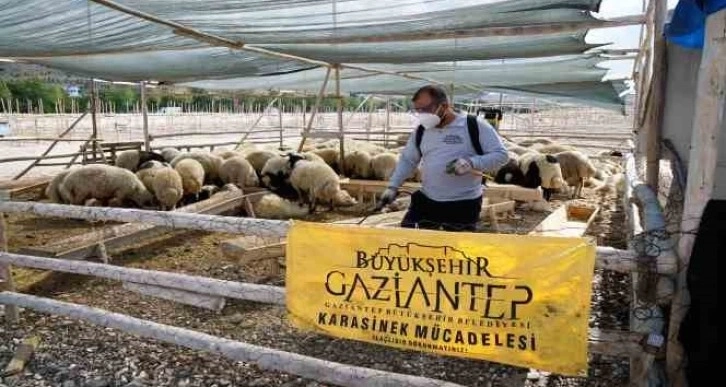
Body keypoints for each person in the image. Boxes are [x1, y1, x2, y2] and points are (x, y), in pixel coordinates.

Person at [378, 85, 508, 232]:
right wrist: (393, 186)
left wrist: (471, 162)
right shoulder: (422, 130)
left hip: (463, 203)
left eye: (425, 110)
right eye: (417, 110)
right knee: (411, 242)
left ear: (444, 106)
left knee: (454, 249)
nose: (421, 115)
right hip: (428, 199)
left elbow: (501, 155)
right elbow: (408, 159)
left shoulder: (474, 125)